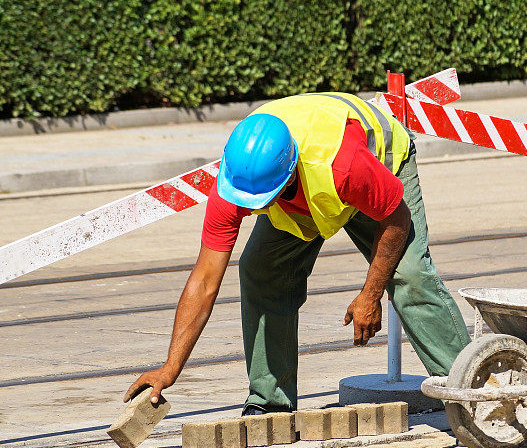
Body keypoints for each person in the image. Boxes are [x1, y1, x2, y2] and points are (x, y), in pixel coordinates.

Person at [125, 92, 470, 414]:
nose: (249, 208)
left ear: (288, 177)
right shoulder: (239, 179)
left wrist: (370, 294)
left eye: (258, 201)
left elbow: (396, 222)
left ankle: (473, 389)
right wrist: (170, 367)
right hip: (311, 191)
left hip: (381, 166)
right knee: (261, 270)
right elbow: (203, 281)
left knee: (410, 276)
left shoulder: (342, 166)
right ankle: (270, 402)